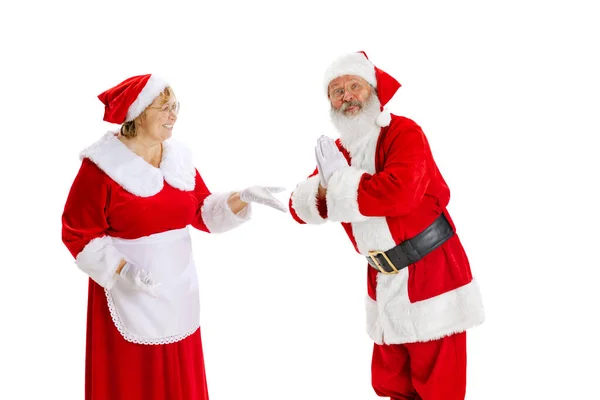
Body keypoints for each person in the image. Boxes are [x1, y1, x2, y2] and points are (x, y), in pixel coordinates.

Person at [61, 73, 286, 400]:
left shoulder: (177, 158)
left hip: (178, 290)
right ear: (139, 114)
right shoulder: (101, 167)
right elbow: (77, 231)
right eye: (164, 108)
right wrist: (123, 270)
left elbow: (201, 211)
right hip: (127, 295)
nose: (173, 116)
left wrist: (243, 197)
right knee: (133, 381)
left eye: (175, 107)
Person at [288, 51, 485, 400]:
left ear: (374, 91)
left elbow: (399, 194)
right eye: (336, 91)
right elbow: (300, 207)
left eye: (354, 86)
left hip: (431, 272)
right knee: (392, 383)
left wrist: (334, 185)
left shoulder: (404, 132)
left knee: (439, 387)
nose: (346, 96)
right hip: (382, 279)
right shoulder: (340, 151)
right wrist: (324, 187)